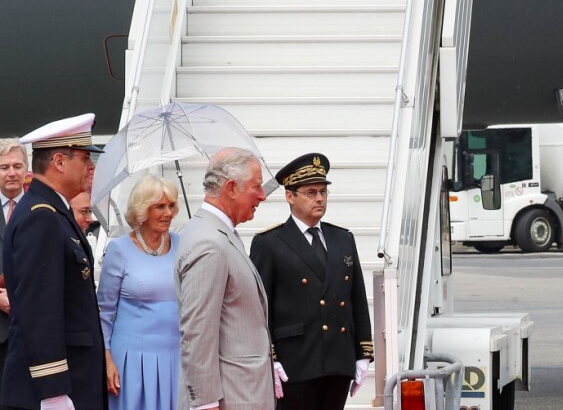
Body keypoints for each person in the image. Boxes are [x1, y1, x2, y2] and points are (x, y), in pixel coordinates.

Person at [250, 153, 374, 410]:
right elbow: (259, 308)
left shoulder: (343, 239)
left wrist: (363, 353)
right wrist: (269, 357)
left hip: (338, 361)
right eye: (310, 192)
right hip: (295, 361)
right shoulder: (269, 243)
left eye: (323, 192)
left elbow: (357, 299)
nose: (319, 198)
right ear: (290, 196)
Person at [1, 113, 107, 410]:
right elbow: (40, 310)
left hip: (73, 380)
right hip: (56, 389)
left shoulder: (52, 212)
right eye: (85, 158)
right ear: (60, 162)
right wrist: (54, 393)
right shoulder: (41, 217)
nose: (91, 167)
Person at [174, 147, 275, 410]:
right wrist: (205, 402)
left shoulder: (219, 233)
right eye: (256, 187)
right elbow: (197, 331)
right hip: (230, 398)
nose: (263, 195)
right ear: (231, 187)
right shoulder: (209, 241)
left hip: (242, 392)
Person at [97, 174, 180, 410]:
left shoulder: (183, 245)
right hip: (131, 361)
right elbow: (104, 311)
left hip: (175, 358)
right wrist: (106, 360)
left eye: (171, 206)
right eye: (160, 206)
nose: (168, 213)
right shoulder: (119, 249)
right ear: (142, 210)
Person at [0, 139, 28, 408]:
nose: (11, 172)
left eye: (17, 166)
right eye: (4, 167)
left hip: (30, 329)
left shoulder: (37, 208)